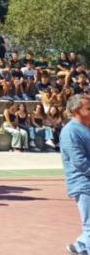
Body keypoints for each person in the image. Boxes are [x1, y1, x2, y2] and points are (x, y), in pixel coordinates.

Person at [61, 94, 90, 255]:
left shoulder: (87, 127)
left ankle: (80, 246)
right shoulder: (70, 131)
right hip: (84, 184)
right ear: (76, 110)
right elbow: (80, 162)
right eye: (89, 108)